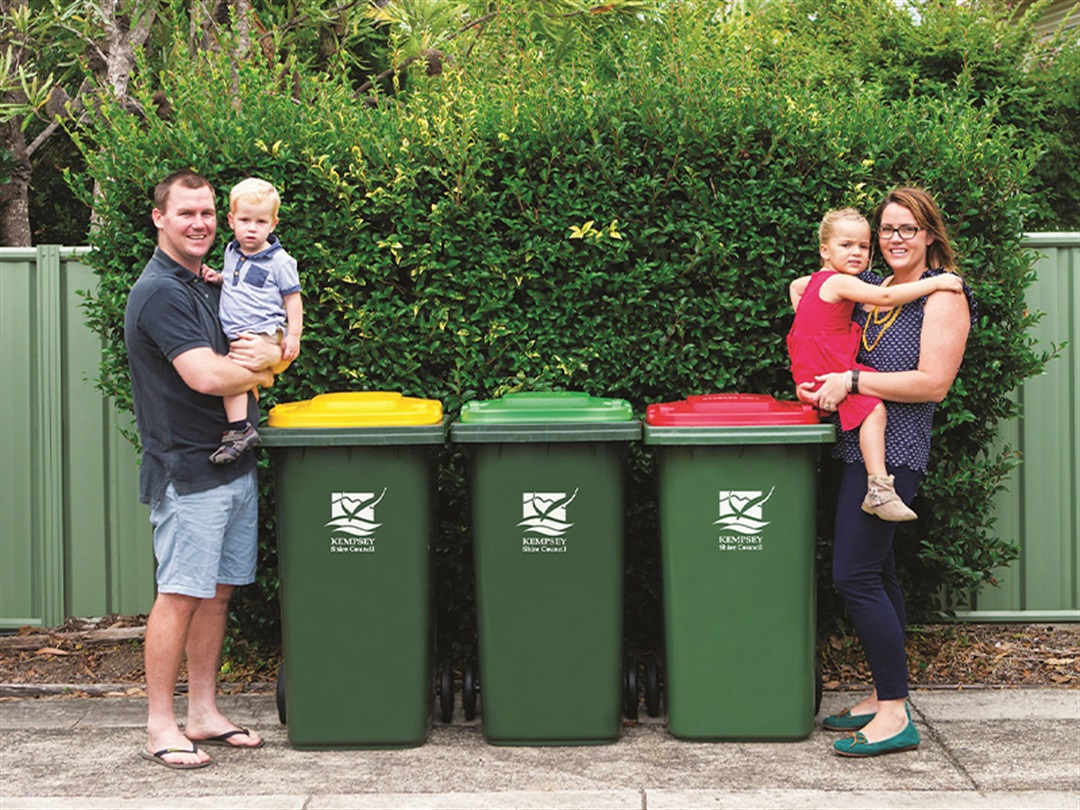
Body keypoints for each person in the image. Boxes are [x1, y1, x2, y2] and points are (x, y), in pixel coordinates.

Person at [798, 188, 976, 757]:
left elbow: (932, 384)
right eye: (888, 229)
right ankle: (882, 695)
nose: (895, 238)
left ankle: (896, 714)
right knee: (881, 574)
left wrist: (851, 382)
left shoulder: (942, 297)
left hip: (895, 454)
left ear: (929, 235)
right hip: (856, 449)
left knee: (854, 576)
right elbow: (816, 298)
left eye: (908, 228)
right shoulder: (876, 288)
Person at [125, 170, 281, 769]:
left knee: (216, 595)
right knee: (180, 594)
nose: (200, 224)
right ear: (159, 217)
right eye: (186, 213)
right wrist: (271, 368)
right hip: (187, 471)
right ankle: (160, 724)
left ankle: (203, 713)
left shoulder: (210, 282)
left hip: (230, 462)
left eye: (208, 213)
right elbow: (209, 376)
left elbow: (258, 337)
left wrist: (272, 351)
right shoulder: (161, 292)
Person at [787, 208, 963, 521]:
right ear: (825, 251)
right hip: (832, 364)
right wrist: (935, 283)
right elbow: (886, 298)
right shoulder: (842, 283)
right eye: (846, 246)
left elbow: (796, 287)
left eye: (863, 247)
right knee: (874, 409)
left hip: (814, 364)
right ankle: (879, 486)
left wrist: (813, 326)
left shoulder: (819, 281)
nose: (856, 252)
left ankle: (879, 485)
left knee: (868, 567)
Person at [209, 177, 302, 465]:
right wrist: (220, 278)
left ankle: (239, 430)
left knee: (232, 377)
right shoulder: (231, 252)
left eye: (260, 222)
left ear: (273, 224)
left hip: (262, 333)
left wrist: (294, 336)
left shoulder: (280, 262)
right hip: (239, 333)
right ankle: (245, 422)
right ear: (231, 220)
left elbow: (293, 299)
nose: (252, 228)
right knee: (243, 383)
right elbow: (241, 284)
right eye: (245, 220)